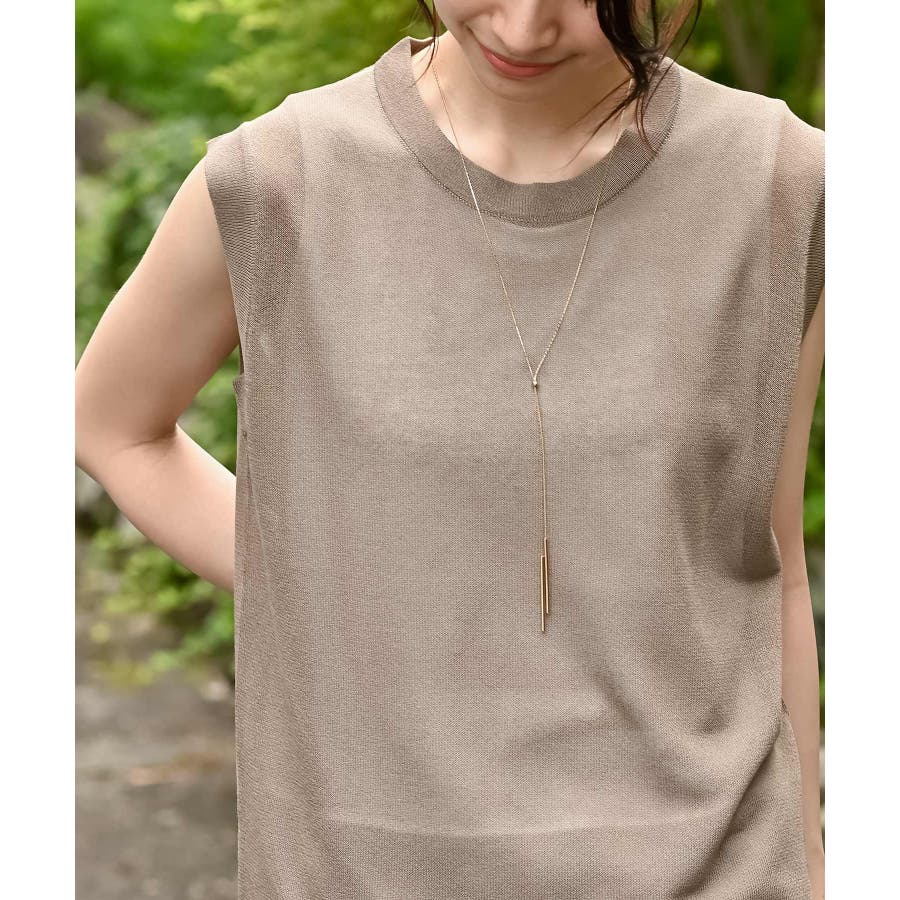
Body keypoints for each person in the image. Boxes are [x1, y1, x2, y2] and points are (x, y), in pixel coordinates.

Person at [74, 2, 826, 898]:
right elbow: (112, 425)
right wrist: (334, 587)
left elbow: (769, 561)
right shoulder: (280, 177)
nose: (524, 27)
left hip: (717, 867)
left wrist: (815, 858)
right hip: (365, 869)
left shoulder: (784, 183)